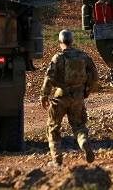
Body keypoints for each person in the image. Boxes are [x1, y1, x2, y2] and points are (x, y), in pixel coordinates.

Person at [40, 29, 99, 167]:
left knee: (53, 127)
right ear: (72, 41)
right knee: (78, 125)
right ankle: (84, 143)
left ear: (60, 42)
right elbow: (95, 77)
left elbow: (49, 78)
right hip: (78, 97)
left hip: (60, 96)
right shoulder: (83, 56)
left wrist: (44, 95)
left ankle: (56, 159)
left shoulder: (58, 57)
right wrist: (87, 90)